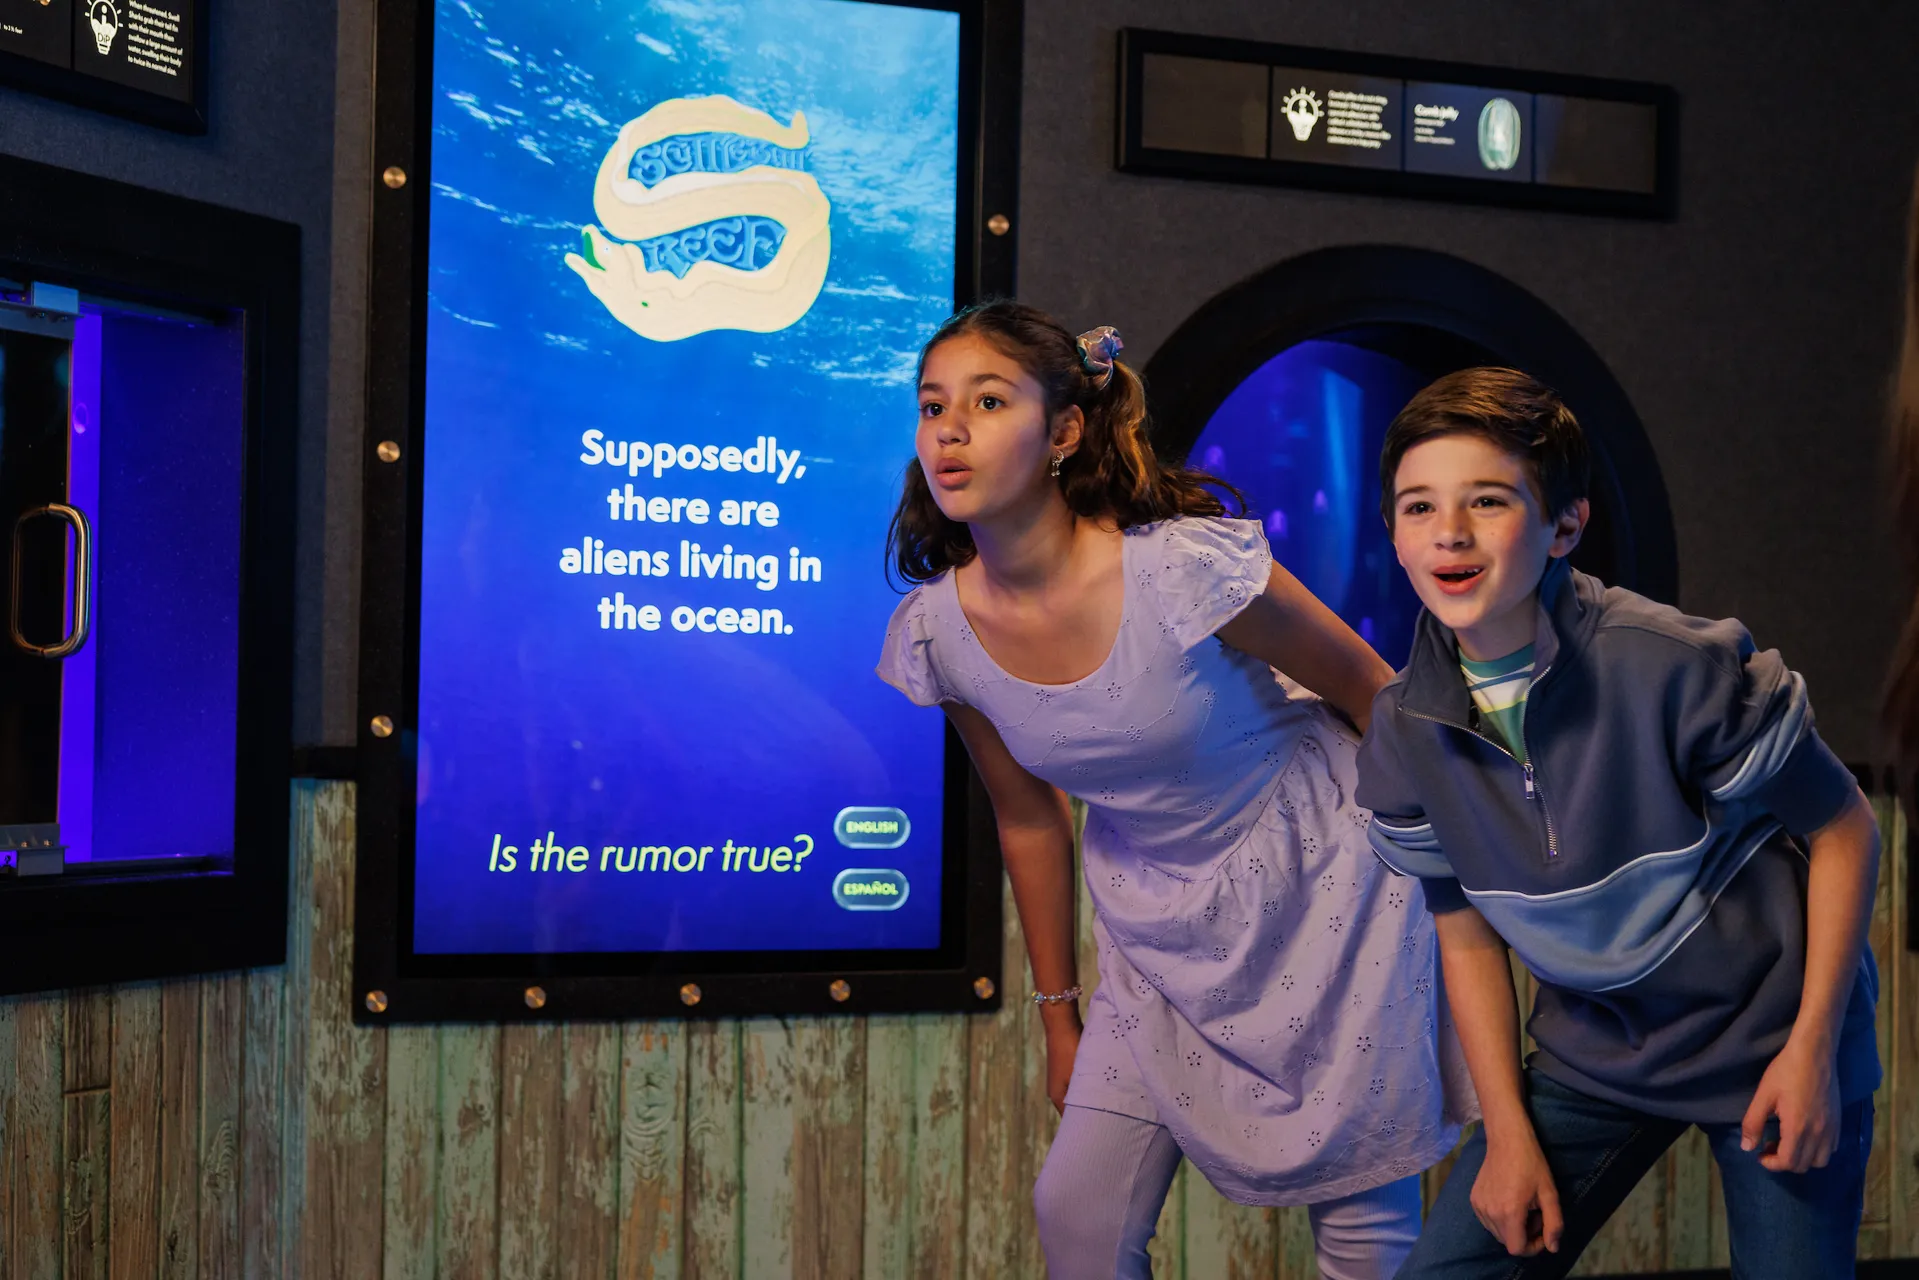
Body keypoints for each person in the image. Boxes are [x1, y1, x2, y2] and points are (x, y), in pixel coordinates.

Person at [874, 301, 1472, 1280]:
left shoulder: (1184, 566)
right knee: (1077, 1216)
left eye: (986, 400)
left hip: (1332, 882)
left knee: (1362, 1230)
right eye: (931, 404)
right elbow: (1027, 819)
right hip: (1155, 924)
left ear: (1064, 429)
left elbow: (1373, 695)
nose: (948, 427)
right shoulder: (937, 631)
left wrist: (1458, 894)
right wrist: (1058, 1012)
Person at [1358, 368, 1881, 1279]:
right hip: (1595, 1052)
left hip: (1770, 1039)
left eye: (1487, 500)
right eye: (1417, 507)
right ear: (1395, 534)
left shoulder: (1674, 666)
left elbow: (1845, 828)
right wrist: (1508, 1128)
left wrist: (1813, 1054)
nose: (1448, 532)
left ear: (1565, 526)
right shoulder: (1403, 730)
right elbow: (1464, 929)